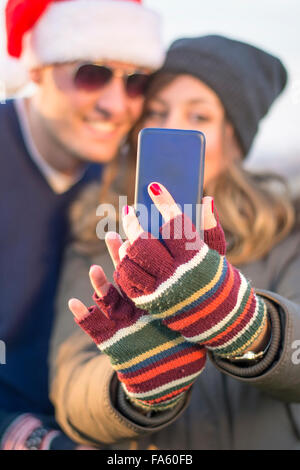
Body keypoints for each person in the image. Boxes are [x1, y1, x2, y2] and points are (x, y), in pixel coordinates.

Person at [51, 35, 300, 450]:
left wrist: (250, 327)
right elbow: (70, 385)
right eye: (157, 111)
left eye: (199, 115)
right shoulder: (104, 235)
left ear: (234, 138)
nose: (173, 127)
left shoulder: (286, 233)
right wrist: (134, 390)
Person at [0, 0, 164, 450]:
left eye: (136, 82)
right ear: (36, 69)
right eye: (91, 73)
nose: (116, 104)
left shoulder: (124, 185)